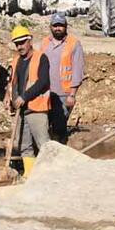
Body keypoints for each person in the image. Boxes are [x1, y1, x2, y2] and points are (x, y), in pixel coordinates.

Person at [4, 25, 51, 177]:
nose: (20, 46)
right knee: (24, 145)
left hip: (36, 108)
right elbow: (12, 81)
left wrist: (24, 97)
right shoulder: (16, 60)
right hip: (21, 110)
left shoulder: (41, 58)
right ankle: (29, 175)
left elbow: (43, 82)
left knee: (44, 145)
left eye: (22, 42)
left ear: (29, 41)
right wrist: (8, 95)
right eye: (17, 44)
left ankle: (50, 174)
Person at [41, 13, 84, 144]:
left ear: (65, 27)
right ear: (50, 27)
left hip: (63, 94)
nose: (58, 28)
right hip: (45, 92)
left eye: (60, 26)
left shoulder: (73, 44)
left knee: (59, 127)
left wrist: (72, 94)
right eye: (55, 26)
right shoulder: (45, 43)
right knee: (45, 126)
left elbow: (78, 70)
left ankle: (60, 151)